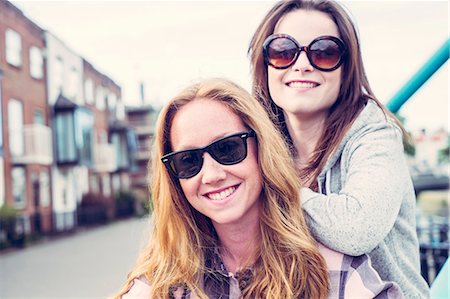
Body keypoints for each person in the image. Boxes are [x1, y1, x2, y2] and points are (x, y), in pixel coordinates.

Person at [114, 78, 403, 299]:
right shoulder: (164, 281)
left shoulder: (331, 269)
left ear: (262, 149)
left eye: (228, 148)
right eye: (189, 161)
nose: (212, 174)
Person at [248, 1, 429, 298]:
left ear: (347, 68)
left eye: (324, 52)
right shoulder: (256, 144)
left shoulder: (375, 134)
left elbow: (358, 228)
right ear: (263, 63)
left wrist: (274, 188)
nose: (302, 64)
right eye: (283, 51)